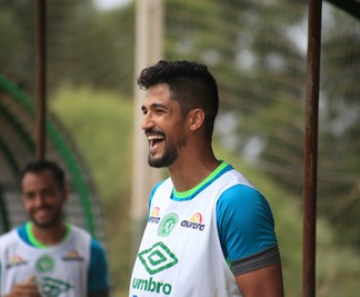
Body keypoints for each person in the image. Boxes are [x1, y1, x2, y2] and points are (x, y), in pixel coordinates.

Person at [129, 60, 284, 296]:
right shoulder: (159, 195)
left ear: (195, 120)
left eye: (159, 111)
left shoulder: (237, 202)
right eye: (145, 112)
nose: (145, 124)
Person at [0, 160, 110, 297]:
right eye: (31, 196)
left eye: (47, 193)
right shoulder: (3, 249)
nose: (39, 203)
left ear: (63, 194)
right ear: (23, 200)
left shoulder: (89, 249)